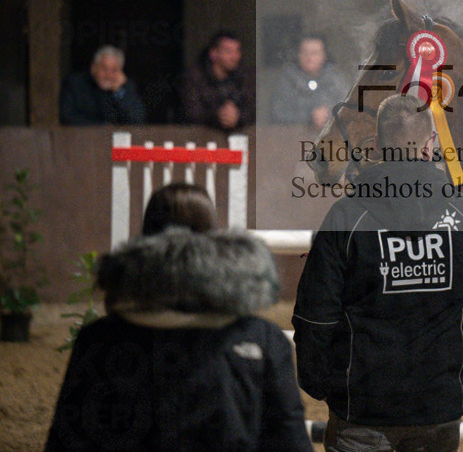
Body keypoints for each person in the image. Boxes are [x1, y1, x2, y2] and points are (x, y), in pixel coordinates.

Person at [292, 94, 463, 452]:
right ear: (431, 144)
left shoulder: (346, 218)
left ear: (380, 145)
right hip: (436, 412)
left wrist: (323, 387)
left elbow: (314, 316)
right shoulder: (461, 211)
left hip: (361, 412)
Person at [45, 183, 312, 452]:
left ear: (145, 238)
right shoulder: (262, 339)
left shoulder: (98, 339)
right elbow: (290, 441)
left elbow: (66, 441)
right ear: (213, 238)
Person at [181, 30, 256, 130]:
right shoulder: (195, 77)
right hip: (203, 138)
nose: (234, 57)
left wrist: (238, 117)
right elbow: (191, 112)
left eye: (237, 51)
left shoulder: (246, 77)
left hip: (240, 137)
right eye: (228, 51)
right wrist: (217, 116)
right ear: (213, 54)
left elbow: (254, 110)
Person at [269, 35, 349, 127]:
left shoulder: (336, 79)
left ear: (324, 55)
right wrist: (309, 117)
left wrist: (327, 116)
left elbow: (348, 110)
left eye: (314, 53)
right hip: (293, 137)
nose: (309, 58)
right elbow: (277, 114)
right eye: (304, 52)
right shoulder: (286, 79)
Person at [59, 45, 146, 125]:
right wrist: (102, 126)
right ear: (93, 68)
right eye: (104, 69)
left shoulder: (126, 88)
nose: (108, 75)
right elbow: (67, 117)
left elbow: (137, 119)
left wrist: (119, 91)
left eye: (114, 70)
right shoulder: (75, 84)